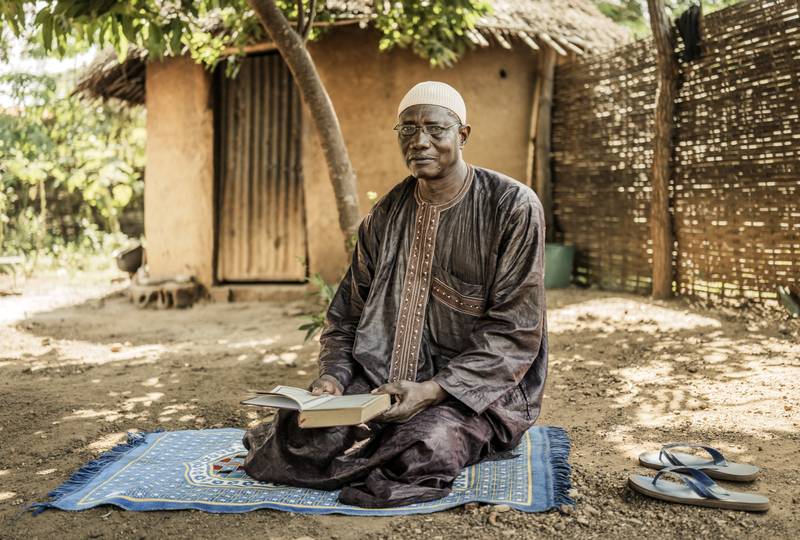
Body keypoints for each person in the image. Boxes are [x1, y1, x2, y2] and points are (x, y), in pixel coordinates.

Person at [242, 81, 548, 508]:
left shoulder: (512, 206)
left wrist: (433, 390)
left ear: (463, 135)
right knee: (301, 430)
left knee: (426, 446)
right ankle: (368, 445)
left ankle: (392, 449)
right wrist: (334, 377)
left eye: (435, 129)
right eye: (408, 130)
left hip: (472, 394)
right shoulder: (385, 214)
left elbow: (515, 331)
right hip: (378, 385)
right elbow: (346, 315)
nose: (420, 141)